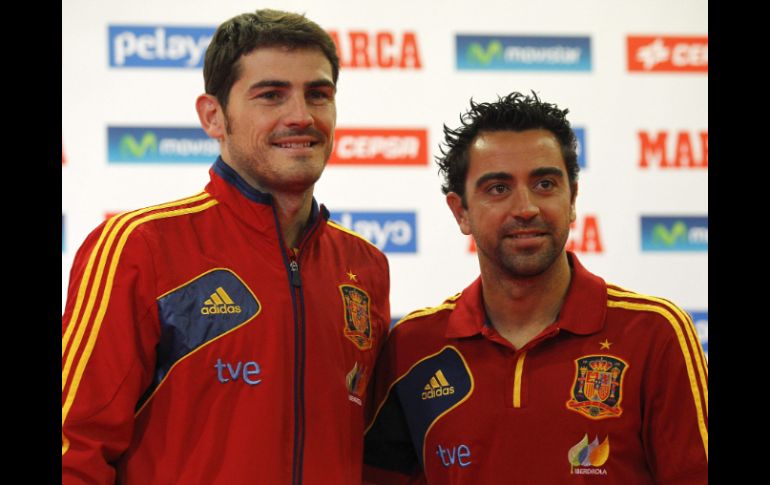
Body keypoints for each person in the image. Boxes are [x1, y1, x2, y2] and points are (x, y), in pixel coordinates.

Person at [61, 9, 390, 484]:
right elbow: (74, 446)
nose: (301, 116)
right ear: (213, 116)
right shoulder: (139, 246)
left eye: (318, 94)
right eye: (271, 95)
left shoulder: (365, 265)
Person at [362, 91, 707, 484]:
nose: (526, 207)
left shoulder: (655, 332)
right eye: (498, 188)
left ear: (573, 199)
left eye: (544, 183)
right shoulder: (412, 346)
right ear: (461, 212)